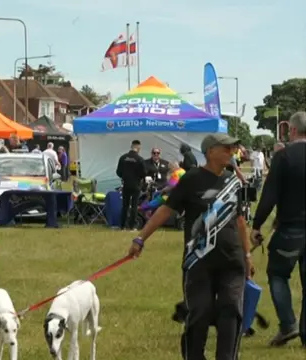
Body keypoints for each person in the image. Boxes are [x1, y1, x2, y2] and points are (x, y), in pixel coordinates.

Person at [128, 133, 254, 360]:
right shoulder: (191, 178)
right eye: (225, 148)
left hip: (231, 260)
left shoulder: (234, 181)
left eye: (232, 149)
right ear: (210, 151)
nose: (230, 152)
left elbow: (240, 220)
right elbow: (166, 210)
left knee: (231, 311)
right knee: (199, 313)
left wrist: (247, 254)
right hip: (198, 260)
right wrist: (140, 238)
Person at [251, 111, 306, 348]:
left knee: (278, 274)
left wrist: (257, 224)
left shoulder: (284, 157)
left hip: (291, 228)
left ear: (291, 131)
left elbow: (269, 194)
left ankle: (287, 324)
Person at [116, 140, 146, 230]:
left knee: (125, 205)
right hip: (136, 185)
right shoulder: (140, 159)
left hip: (126, 184)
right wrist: (138, 178)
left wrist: (125, 177)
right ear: (138, 147)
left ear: (131, 146)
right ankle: (132, 226)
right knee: (134, 206)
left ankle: (122, 226)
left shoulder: (123, 157)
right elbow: (144, 173)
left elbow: (118, 172)